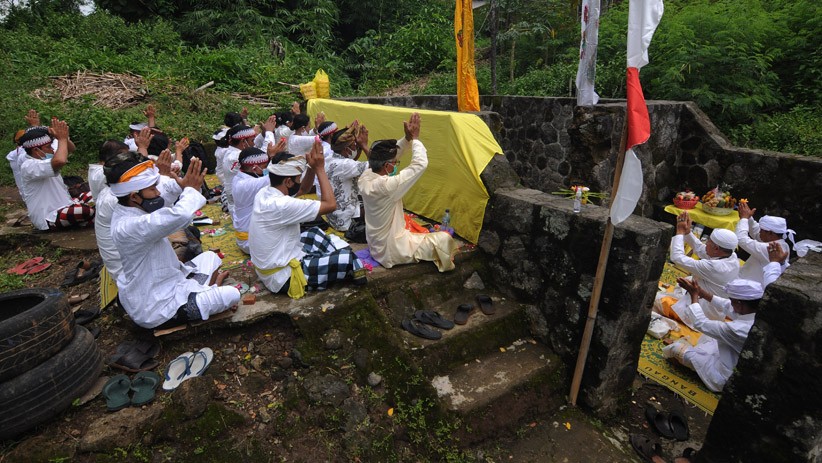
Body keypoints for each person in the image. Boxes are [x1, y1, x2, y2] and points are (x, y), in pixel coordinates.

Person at [108, 156, 240, 329]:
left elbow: (164, 192)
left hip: (173, 279)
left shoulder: (132, 207)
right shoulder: (128, 226)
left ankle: (206, 291)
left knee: (210, 257)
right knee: (232, 294)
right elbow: (180, 216)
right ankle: (208, 293)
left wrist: (182, 185)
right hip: (156, 307)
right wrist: (191, 189)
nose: (158, 192)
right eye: (153, 189)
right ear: (134, 197)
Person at [664, 242, 787, 392]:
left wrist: (694, 296)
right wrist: (702, 293)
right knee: (707, 339)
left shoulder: (737, 328)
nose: (731, 305)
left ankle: (690, 364)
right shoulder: (758, 312)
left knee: (675, 348)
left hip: (724, 375)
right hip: (730, 354)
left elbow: (701, 323)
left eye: (734, 302)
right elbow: (727, 305)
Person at [249, 143, 365, 299]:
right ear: (288, 182)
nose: (299, 181)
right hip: (284, 277)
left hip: (271, 266)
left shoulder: (265, 192)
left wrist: (311, 167)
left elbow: (302, 189)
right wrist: (320, 169)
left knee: (314, 233)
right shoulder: (282, 205)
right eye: (297, 178)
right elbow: (330, 205)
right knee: (350, 259)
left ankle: (326, 257)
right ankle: (360, 286)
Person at [358, 113, 458, 272]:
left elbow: (388, 156)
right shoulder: (388, 185)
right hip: (392, 250)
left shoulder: (365, 177)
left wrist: (407, 139)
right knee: (444, 239)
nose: (396, 164)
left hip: (376, 246)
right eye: (395, 163)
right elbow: (419, 164)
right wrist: (416, 139)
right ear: (386, 166)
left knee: (409, 223)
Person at [18, 119, 94, 231]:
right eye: (49, 147)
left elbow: (71, 148)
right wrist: (62, 139)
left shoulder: (43, 159)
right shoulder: (28, 166)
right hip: (49, 217)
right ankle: (90, 217)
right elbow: (60, 161)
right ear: (36, 150)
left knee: (97, 194)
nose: (53, 149)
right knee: (86, 211)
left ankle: (89, 218)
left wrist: (64, 138)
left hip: (68, 204)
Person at [669, 211, 739, 320]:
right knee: (685, 282)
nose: (706, 244)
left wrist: (680, 232)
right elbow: (702, 249)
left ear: (716, 249)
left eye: (709, 242)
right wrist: (687, 233)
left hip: (702, 313)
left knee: (655, 301)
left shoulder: (715, 267)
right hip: (713, 308)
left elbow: (677, 258)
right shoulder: (731, 255)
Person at [231, 143, 283, 253]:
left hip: (247, 237)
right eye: (264, 167)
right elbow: (277, 175)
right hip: (249, 242)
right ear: (254, 167)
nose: (266, 169)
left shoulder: (240, 177)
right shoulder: (246, 184)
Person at [323, 123, 370, 235]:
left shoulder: (329, 158)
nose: (356, 147)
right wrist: (364, 145)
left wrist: (358, 147)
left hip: (333, 217)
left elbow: (351, 161)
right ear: (347, 149)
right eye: (354, 145)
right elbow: (378, 165)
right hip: (347, 223)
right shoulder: (345, 165)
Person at [736, 201, 793, 285]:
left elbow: (742, 240)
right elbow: (756, 232)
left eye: (761, 230)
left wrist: (744, 219)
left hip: (749, 286)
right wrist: (749, 217)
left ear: (770, 233)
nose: (759, 232)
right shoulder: (781, 243)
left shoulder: (771, 248)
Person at [221, 124, 257, 215]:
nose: (254, 144)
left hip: (235, 201)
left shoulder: (230, 152)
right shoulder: (237, 156)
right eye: (252, 141)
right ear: (243, 141)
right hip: (240, 205)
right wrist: (268, 133)